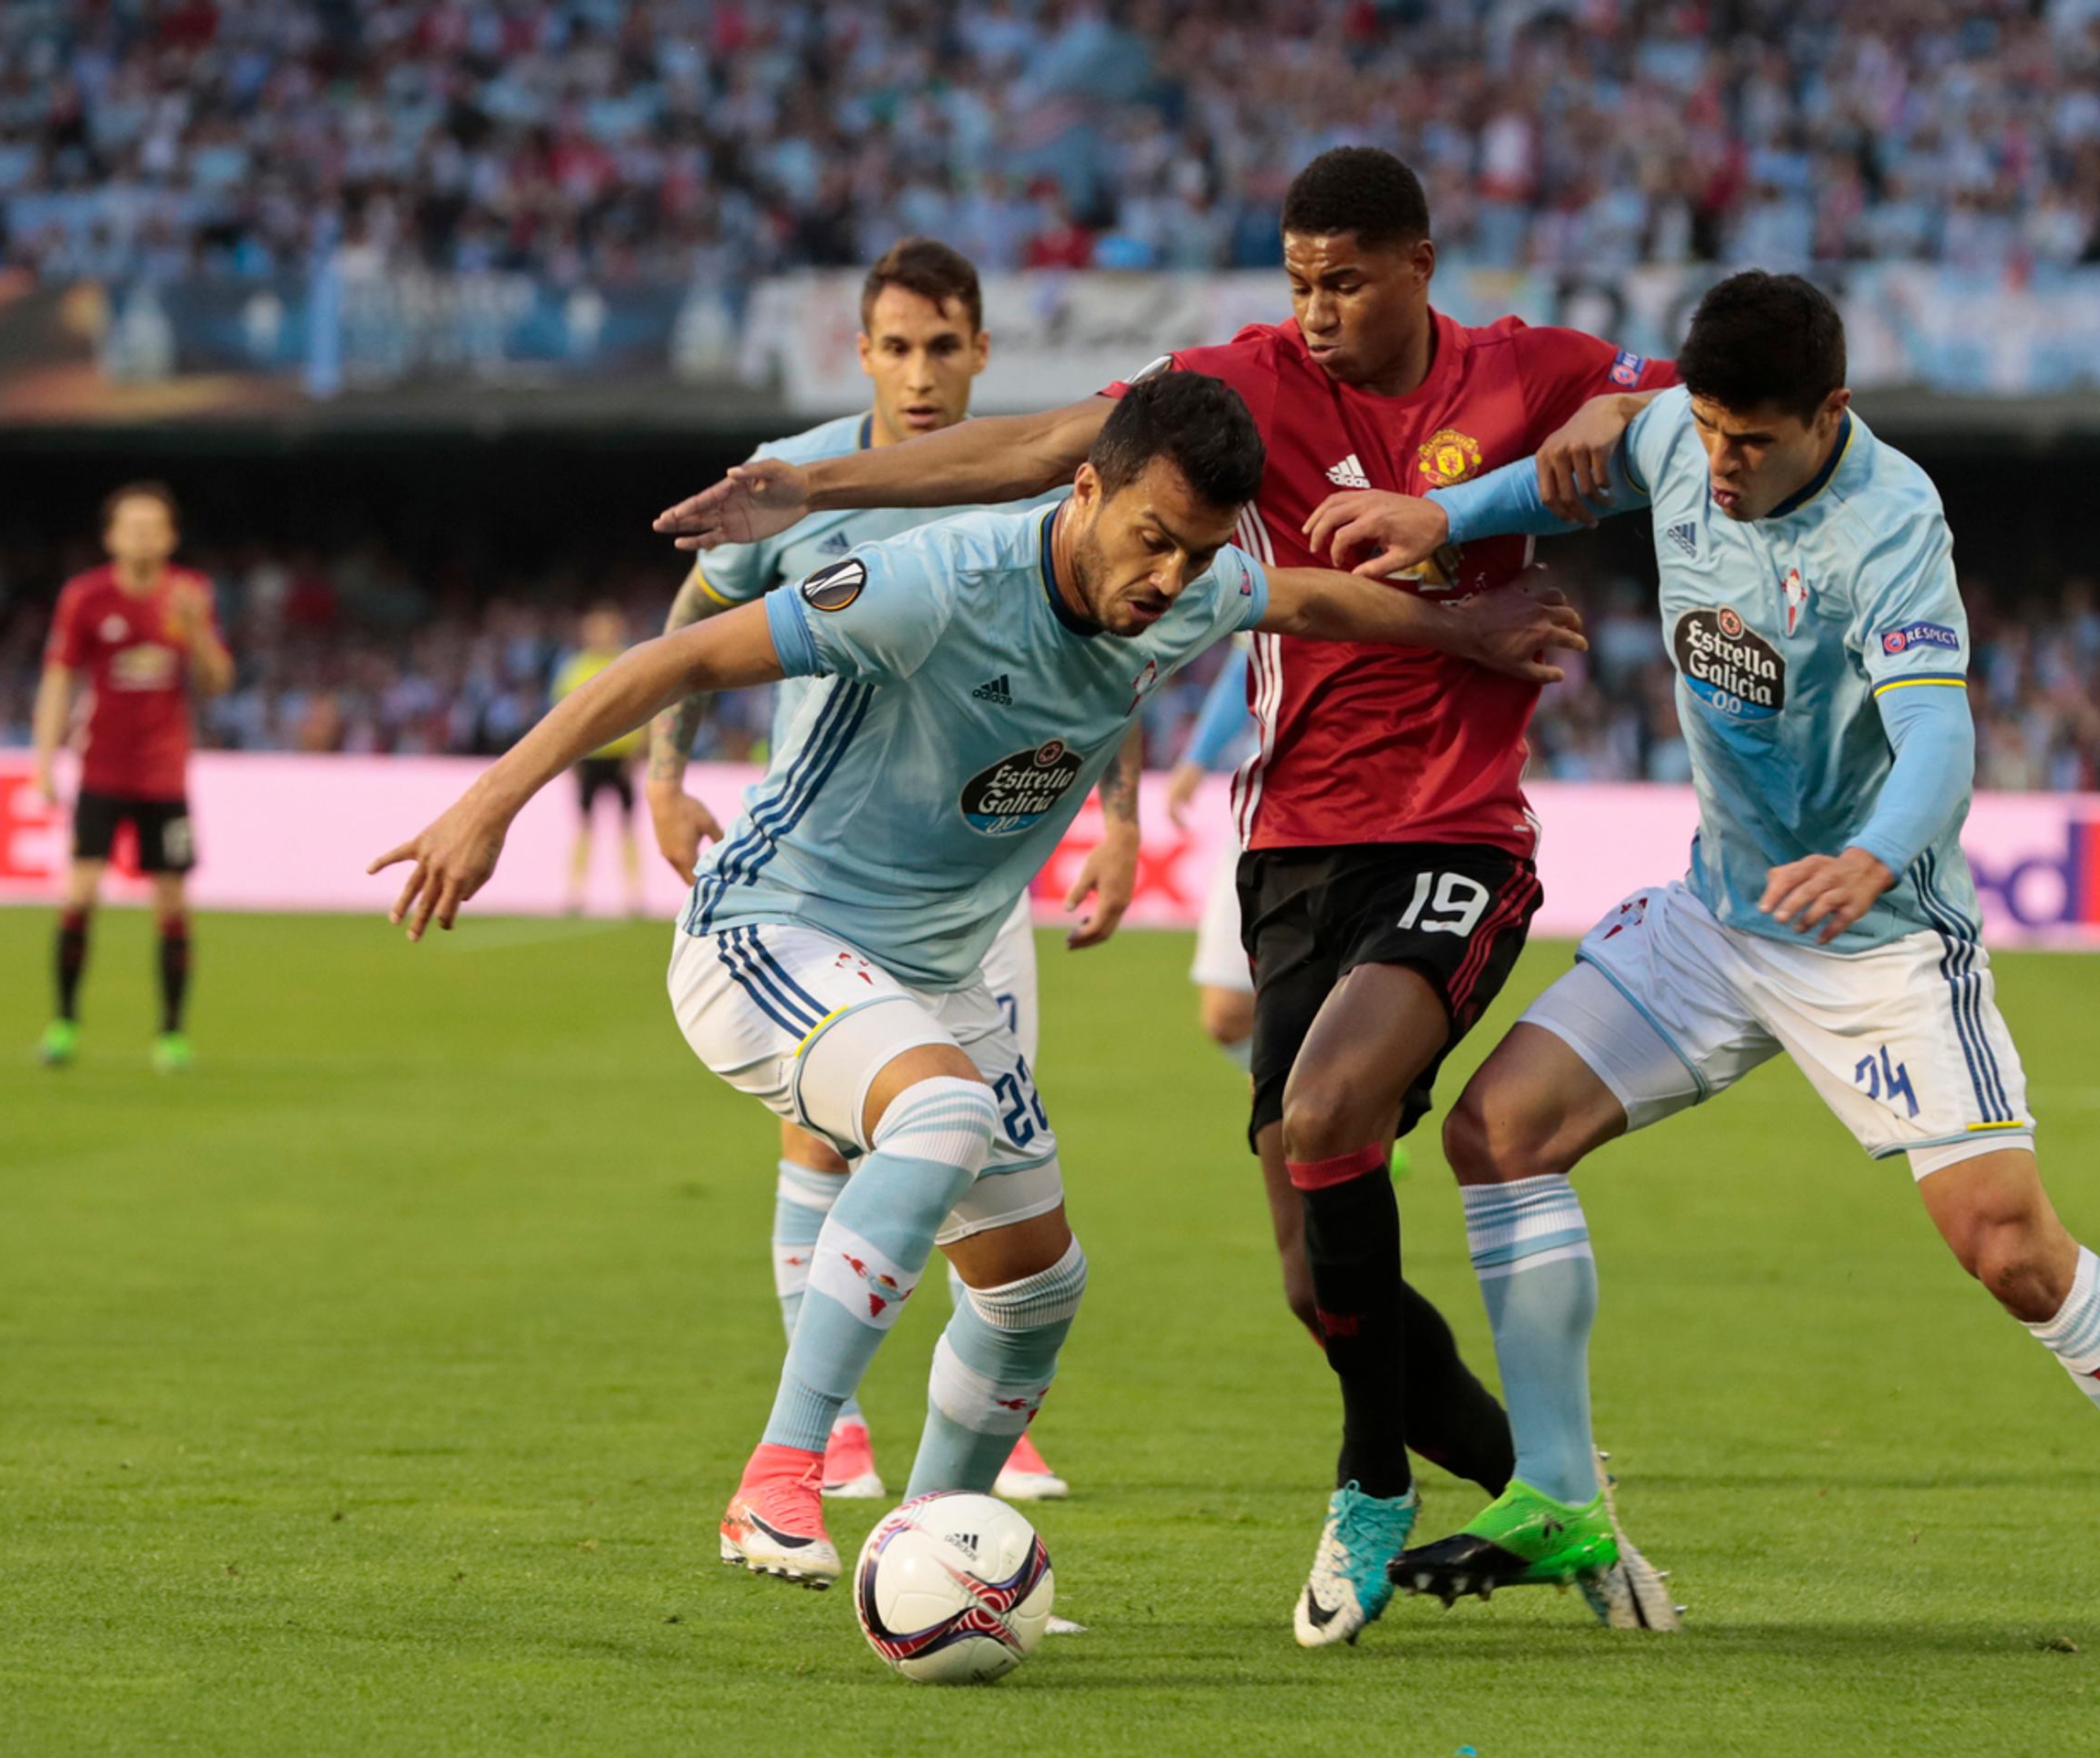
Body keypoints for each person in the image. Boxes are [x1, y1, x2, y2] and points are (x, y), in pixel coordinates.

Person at [655, 146, 1684, 1644]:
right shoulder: (1249, 381)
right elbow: (1052, 453)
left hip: (1456, 830)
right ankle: (1551, 1494)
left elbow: (1685, 386)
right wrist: (813, 482)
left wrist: (1610, 406)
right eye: (1298, 281)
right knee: (1307, 1265)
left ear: (1417, 262)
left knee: (1328, 1120)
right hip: (1290, 844)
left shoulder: (1530, 369)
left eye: (1345, 278)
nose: (1318, 309)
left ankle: (1367, 1485)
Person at [373, 371, 1583, 1595]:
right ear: (1083, 488)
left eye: (1198, 549)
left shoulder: (1193, 584)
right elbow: (668, 662)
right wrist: (484, 811)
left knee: (1033, 1293)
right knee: (941, 1114)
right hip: (772, 931)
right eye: (1149, 538)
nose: (1168, 577)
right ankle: (780, 1475)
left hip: (937, 973)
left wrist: (1455, 631)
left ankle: (931, 1558)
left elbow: (1303, 598)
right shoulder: (930, 586)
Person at [1311, 271, 2100, 1677]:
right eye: (1707, 432)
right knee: (1498, 1133)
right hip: (1717, 919)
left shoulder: (1888, 523)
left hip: (1872, 946)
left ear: (1830, 416)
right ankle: (1558, 1494)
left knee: (2010, 1250)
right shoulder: (1678, 436)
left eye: (1753, 442)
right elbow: (1580, 474)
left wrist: (1873, 855)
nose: (1720, 465)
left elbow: (1936, 739)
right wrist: (1446, 513)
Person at [644, 238, 1089, 1504]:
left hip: (979, 871)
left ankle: (981, 1391)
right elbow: (691, 620)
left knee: (972, 1139)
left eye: (943, 346)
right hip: (823, 870)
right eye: (895, 346)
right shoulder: (804, 477)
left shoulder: (1021, 487)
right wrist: (667, 773)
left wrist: (1105, 824)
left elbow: (1102, 651)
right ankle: (825, 1431)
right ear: (862, 353)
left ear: (982, 351)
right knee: (828, 1137)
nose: (920, 372)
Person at [32, 483, 233, 1074]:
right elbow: (58, 679)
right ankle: (65, 1021)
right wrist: (44, 761)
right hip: (101, 769)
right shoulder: (86, 597)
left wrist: (195, 632)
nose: (144, 535)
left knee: (171, 902)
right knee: (80, 893)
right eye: (132, 525)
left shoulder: (190, 595)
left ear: (171, 536)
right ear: (111, 536)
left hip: (164, 776)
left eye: (154, 526)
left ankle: (171, 1034)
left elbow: (218, 682)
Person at [1167, 639, 1257, 1066]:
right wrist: (1196, 759)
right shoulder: (1269, 573)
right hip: (1263, 814)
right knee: (1227, 1013)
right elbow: (1249, 662)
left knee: (1326, 1017)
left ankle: (1365, 1125)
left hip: (1369, 818)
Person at [552, 606, 647, 917]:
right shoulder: (574, 667)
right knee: (584, 827)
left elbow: (647, 708)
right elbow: (562, 717)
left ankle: (634, 895)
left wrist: (638, 752)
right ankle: (575, 892)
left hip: (620, 757)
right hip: (589, 757)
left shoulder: (630, 662)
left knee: (627, 827)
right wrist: (570, 759)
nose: (601, 635)